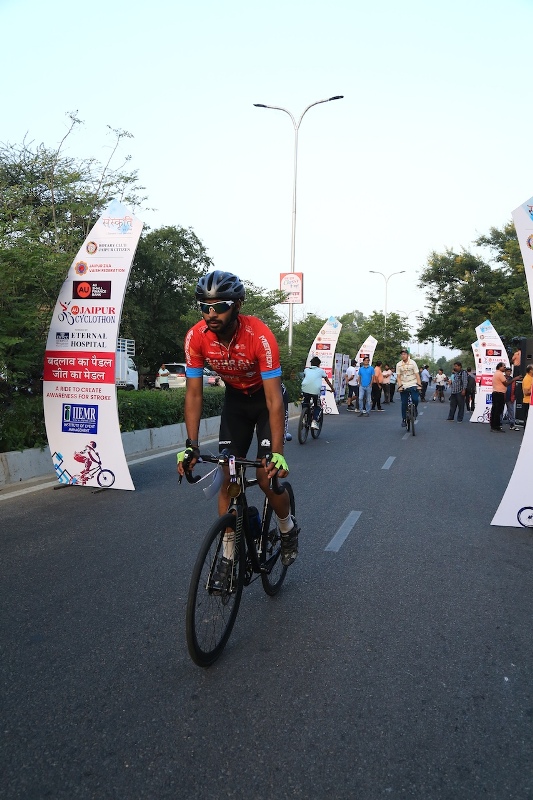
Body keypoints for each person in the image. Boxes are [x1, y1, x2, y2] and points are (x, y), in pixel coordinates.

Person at [176, 270, 298, 584]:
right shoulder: (196, 337)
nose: (211, 314)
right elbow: (194, 393)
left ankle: (287, 527)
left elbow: (274, 400)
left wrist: (277, 454)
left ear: (238, 305)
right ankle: (229, 556)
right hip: (236, 403)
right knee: (227, 475)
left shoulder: (259, 336)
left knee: (265, 476)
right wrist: (191, 445)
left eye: (220, 306)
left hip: (266, 401)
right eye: (204, 307)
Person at [301, 356, 335, 428]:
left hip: (305, 389)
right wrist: (332, 389)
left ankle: (303, 417)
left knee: (305, 402)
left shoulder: (306, 370)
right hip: (315, 390)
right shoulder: (321, 371)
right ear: (319, 364)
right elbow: (327, 381)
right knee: (317, 405)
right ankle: (314, 421)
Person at [490, 362, 521, 432]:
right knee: (498, 411)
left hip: (497, 393)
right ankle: (496, 427)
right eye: (504, 367)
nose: (504, 368)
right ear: (500, 367)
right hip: (499, 394)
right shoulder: (500, 374)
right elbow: (506, 384)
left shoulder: (496, 373)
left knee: (495, 410)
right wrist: (514, 379)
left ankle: (494, 426)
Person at [396, 348, 421, 427]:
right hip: (403, 384)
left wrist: (419, 385)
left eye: (404, 354)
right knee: (404, 403)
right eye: (402, 354)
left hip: (413, 383)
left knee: (415, 399)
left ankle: (415, 409)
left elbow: (417, 375)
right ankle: (404, 419)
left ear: (408, 355)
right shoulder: (398, 364)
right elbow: (398, 377)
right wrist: (400, 386)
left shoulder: (413, 363)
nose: (403, 355)